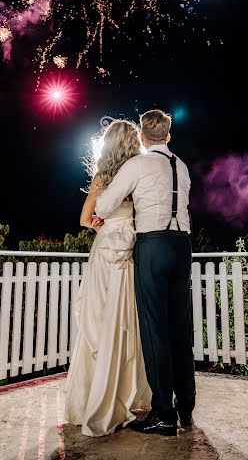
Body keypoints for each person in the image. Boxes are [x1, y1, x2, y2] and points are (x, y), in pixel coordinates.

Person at [95, 109, 195, 437]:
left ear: (142, 136)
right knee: (181, 328)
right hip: (182, 247)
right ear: (168, 135)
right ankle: (186, 409)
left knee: (155, 331)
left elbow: (104, 206)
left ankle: (163, 414)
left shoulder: (136, 165)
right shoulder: (181, 165)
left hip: (152, 245)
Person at [65, 120, 150, 437]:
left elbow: (85, 219)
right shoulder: (140, 175)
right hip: (127, 251)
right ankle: (123, 393)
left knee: (101, 321)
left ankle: (95, 395)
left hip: (106, 252)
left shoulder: (102, 177)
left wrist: (105, 228)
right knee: (124, 322)